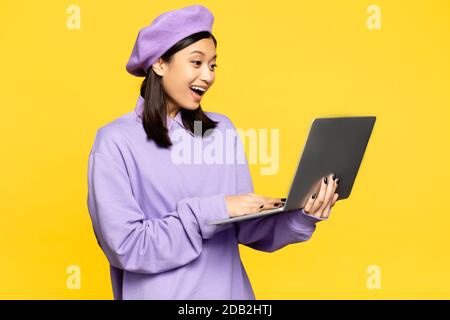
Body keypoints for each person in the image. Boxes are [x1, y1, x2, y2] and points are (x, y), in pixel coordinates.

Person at [86, 4, 339, 300]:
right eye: (196, 62)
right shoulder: (115, 141)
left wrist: (302, 215)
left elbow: (246, 229)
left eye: (213, 65)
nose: (207, 75)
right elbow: (128, 247)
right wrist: (215, 210)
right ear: (159, 64)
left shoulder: (222, 130)